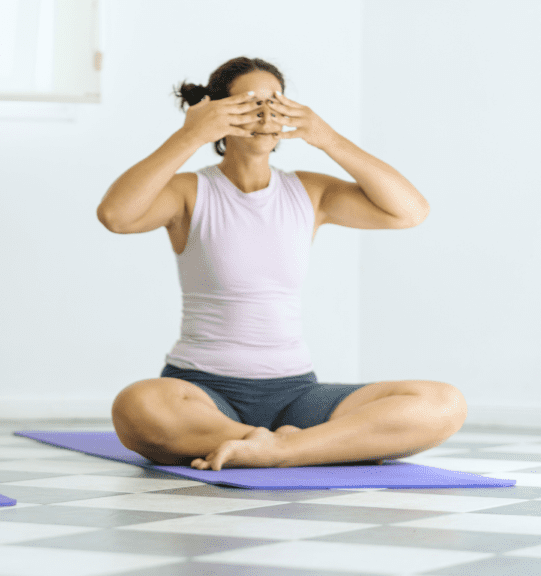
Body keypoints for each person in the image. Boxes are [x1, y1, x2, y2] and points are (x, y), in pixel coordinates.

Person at [97, 57, 465, 471]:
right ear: (218, 112)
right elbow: (116, 216)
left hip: (296, 394)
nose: (265, 116)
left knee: (442, 404)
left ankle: (279, 450)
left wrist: (328, 138)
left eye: (275, 103)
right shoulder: (189, 192)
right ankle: (297, 447)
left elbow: (410, 212)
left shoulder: (309, 191)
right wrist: (190, 135)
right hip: (202, 393)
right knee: (138, 406)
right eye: (249, 104)